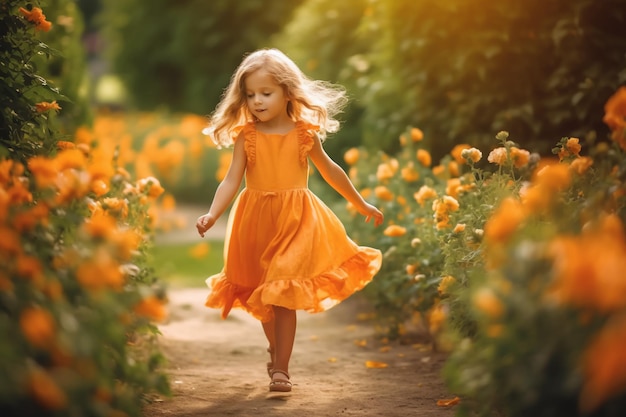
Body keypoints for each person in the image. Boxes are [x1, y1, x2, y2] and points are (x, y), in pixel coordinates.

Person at [195, 48, 384, 393]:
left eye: (266, 93)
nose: (257, 101)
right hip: (254, 222)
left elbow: (330, 170)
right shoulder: (246, 136)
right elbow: (231, 181)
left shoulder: (304, 134)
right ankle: (275, 348)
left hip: (296, 220)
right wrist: (212, 213)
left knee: (282, 292)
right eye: (250, 95)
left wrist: (359, 202)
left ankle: (281, 368)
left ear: (287, 92)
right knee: (264, 296)